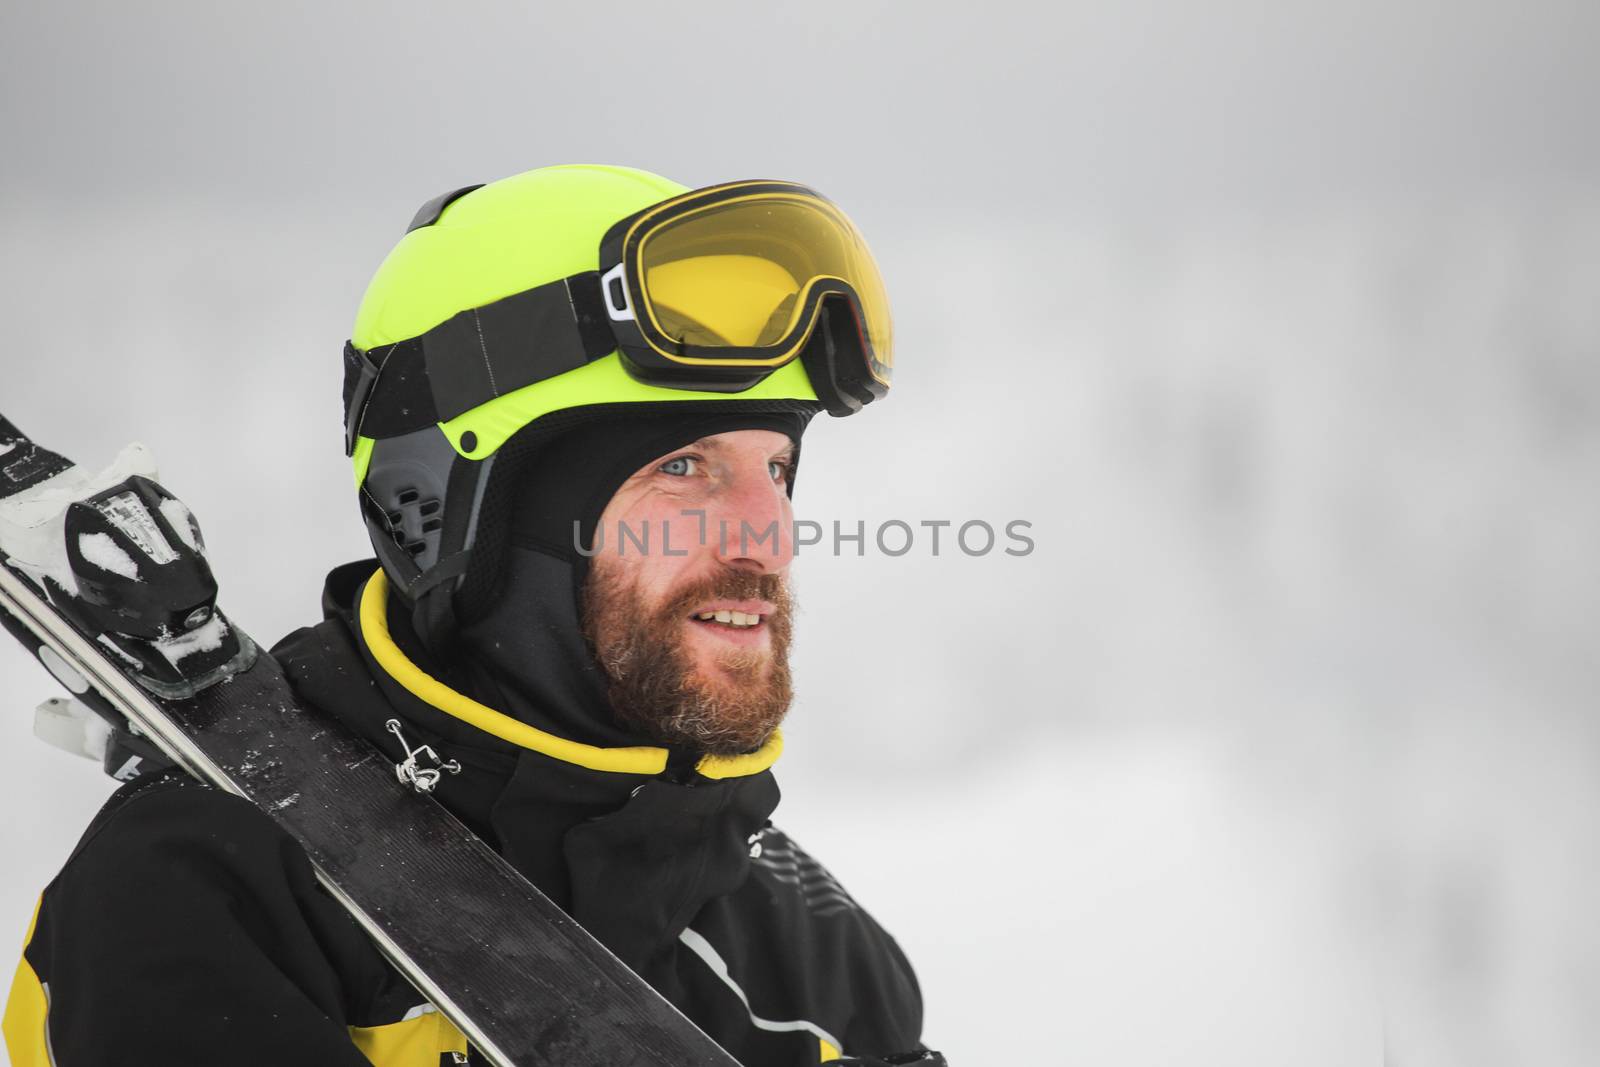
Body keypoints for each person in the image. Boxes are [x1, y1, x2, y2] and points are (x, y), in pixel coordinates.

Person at [2, 165, 941, 1065]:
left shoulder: (815, 947)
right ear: (471, 515)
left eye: (775, 468)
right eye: (683, 466)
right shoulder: (206, 895)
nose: (767, 535)